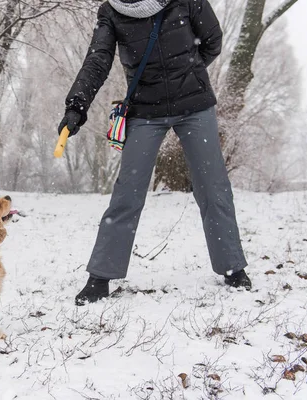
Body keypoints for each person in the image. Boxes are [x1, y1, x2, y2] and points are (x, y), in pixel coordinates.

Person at [58, 0, 251, 306]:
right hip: (145, 112)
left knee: (213, 188)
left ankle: (232, 267)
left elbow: (212, 40)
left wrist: (188, 74)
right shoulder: (111, 11)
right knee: (127, 195)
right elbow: (98, 60)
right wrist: (76, 105)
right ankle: (100, 277)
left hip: (195, 106)